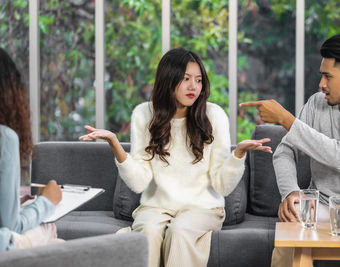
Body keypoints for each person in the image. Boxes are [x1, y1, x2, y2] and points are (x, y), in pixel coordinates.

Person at [79, 47, 272, 267]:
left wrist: (238, 154)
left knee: (179, 232)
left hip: (203, 209)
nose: (194, 86)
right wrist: (116, 145)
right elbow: (139, 181)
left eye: (198, 80)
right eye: (186, 79)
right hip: (156, 208)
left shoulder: (214, 115)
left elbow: (222, 186)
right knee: (149, 233)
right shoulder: (143, 114)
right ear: (168, 80)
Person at [240, 34, 340, 267]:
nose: (321, 84)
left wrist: (286, 119)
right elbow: (285, 151)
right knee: (289, 231)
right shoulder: (316, 104)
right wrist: (291, 192)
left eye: (328, 76)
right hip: (322, 206)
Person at [0, 47, 63, 251]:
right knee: (52, 235)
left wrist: (12, 203)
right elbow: (10, 228)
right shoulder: (4, 137)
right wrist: (47, 201)